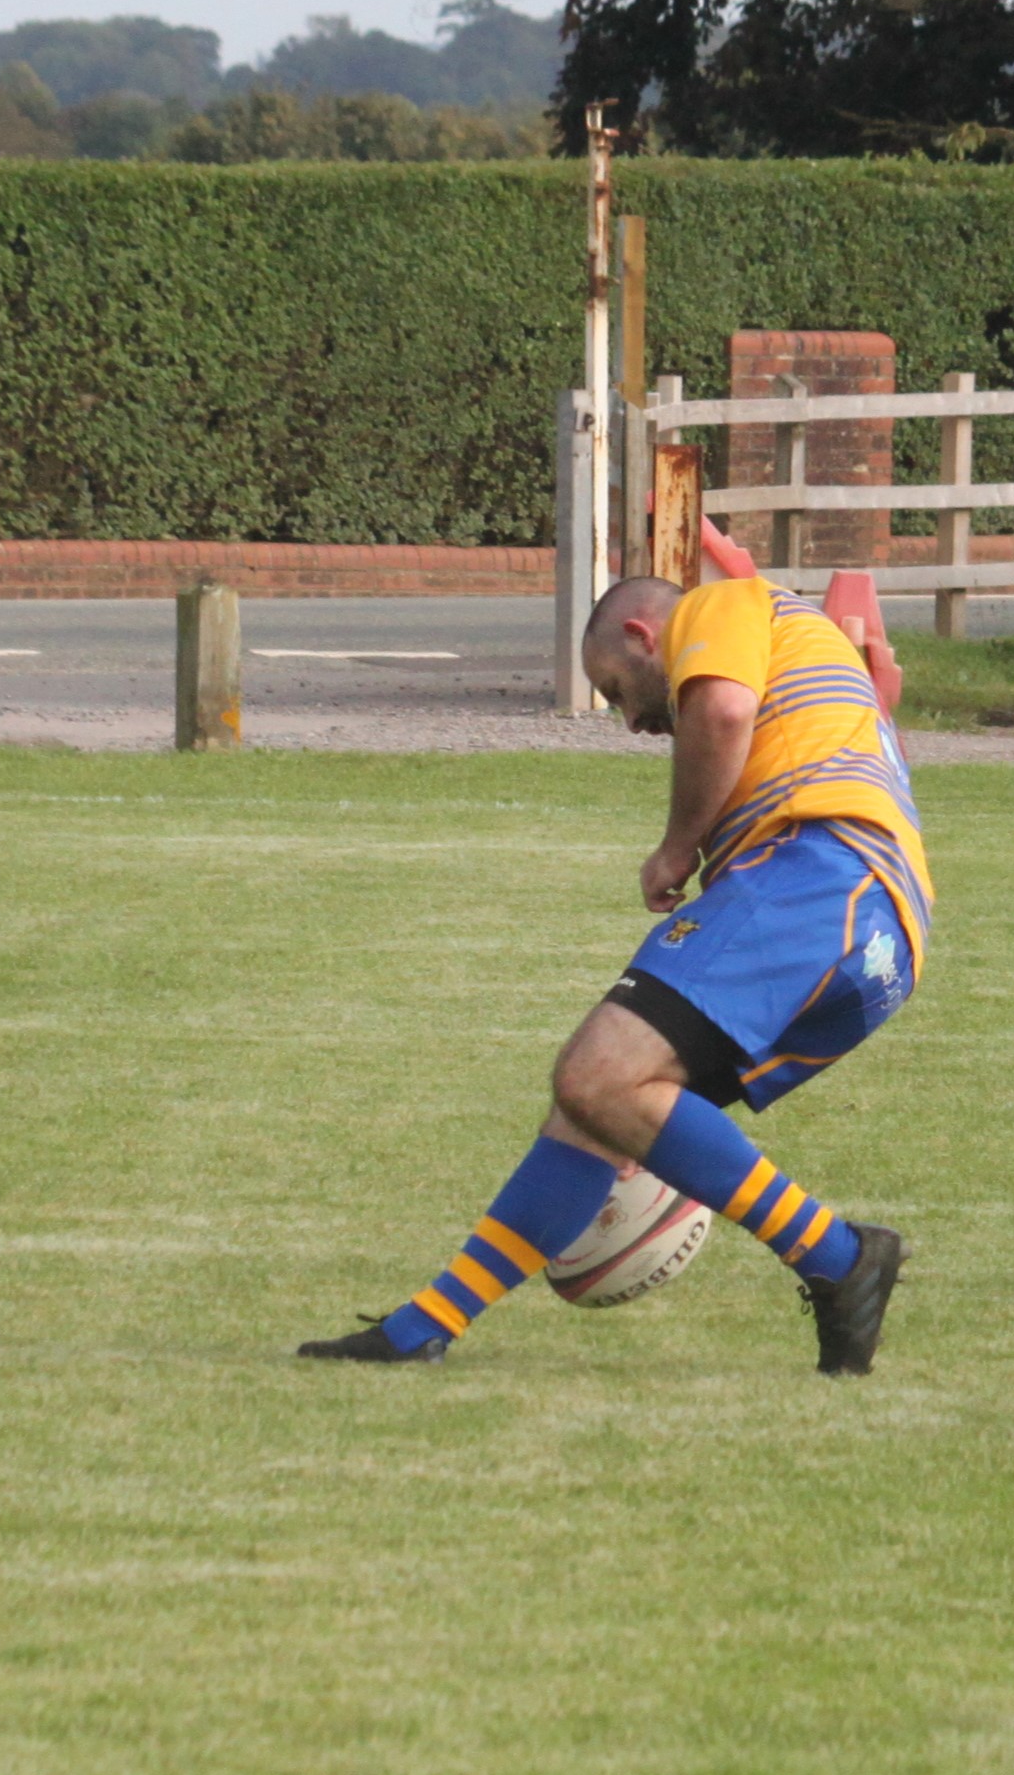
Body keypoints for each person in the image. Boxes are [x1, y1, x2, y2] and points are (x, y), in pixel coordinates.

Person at [297, 573, 931, 1374]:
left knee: (597, 1075)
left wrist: (677, 847)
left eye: (616, 690)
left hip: (820, 873)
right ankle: (424, 1327)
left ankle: (839, 1257)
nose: (631, 720)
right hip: (874, 930)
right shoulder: (800, 659)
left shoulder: (723, 604)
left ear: (641, 634)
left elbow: (723, 710)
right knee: (593, 1109)